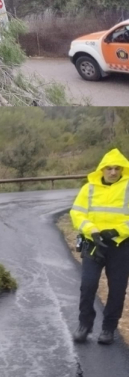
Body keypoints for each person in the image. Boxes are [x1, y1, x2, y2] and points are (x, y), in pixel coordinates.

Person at [70, 148, 129, 345]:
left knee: (117, 289)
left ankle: (108, 329)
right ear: (102, 169)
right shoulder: (89, 188)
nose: (113, 172)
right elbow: (77, 214)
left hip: (120, 246)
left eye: (117, 168)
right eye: (109, 168)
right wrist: (93, 230)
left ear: (122, 169)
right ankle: (84, 325)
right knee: (87, 285)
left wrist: (116, 231)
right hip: (93, 244)